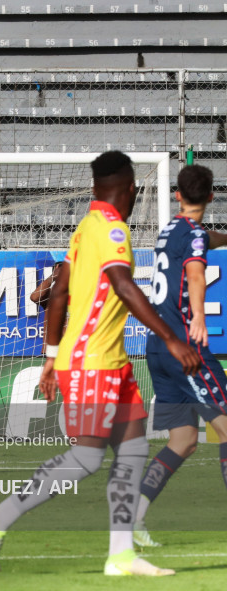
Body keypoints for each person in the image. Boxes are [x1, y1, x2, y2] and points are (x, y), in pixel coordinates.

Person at [0, 151, 200, 576]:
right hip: (93, 361)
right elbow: (122, 283)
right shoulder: (111, 228)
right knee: (87, 459)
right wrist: (170, 337)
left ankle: (121, 556)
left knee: (132, 450)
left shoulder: (85, 228)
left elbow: (58, 294)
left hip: (109, 361)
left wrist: (51, 357)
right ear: (131, 189)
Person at [133, 164, 227, 547]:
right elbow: (193, 272)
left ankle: (133, 518)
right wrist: (200, 318)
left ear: (177, 195)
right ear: (211, 197)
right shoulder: (194, 238)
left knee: (185, 440)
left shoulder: (171, 229)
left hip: (156, 347)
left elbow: (203, 239)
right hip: (186, 347)